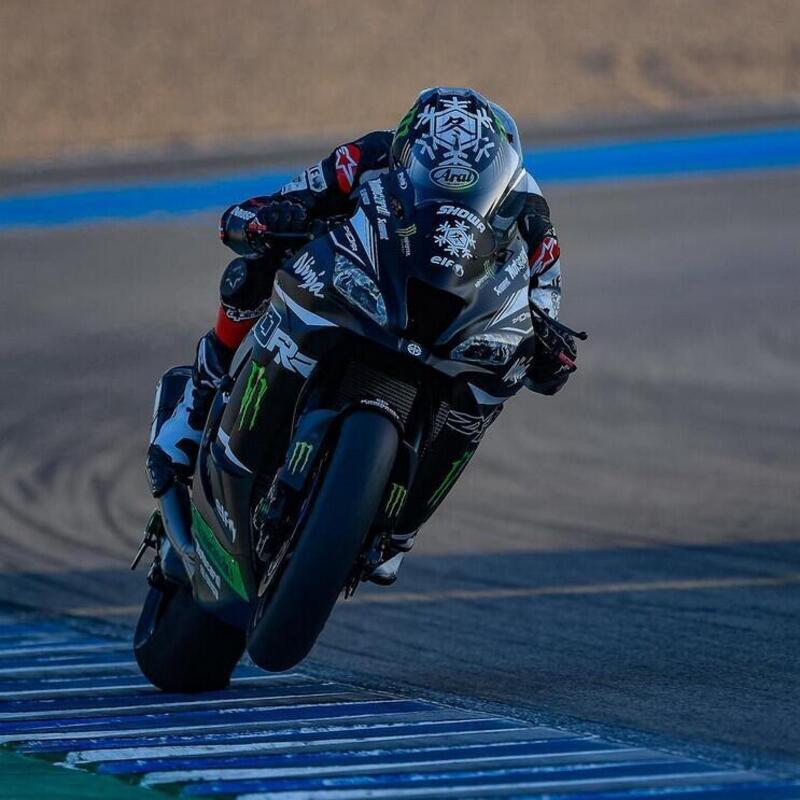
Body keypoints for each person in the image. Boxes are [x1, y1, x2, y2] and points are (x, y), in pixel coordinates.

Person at [148, 88, 577, 579]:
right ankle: (197, 401)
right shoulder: (367, 155)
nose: (456, 165)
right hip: (367, 281)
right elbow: (278, 201)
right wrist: (272, 218)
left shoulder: (525, 201)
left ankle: (402, 528)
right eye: (440, 156)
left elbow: (546, 285)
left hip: (455, 312)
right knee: (253, 271)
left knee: (494, 385)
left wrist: (547, 336)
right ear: (409, 146)